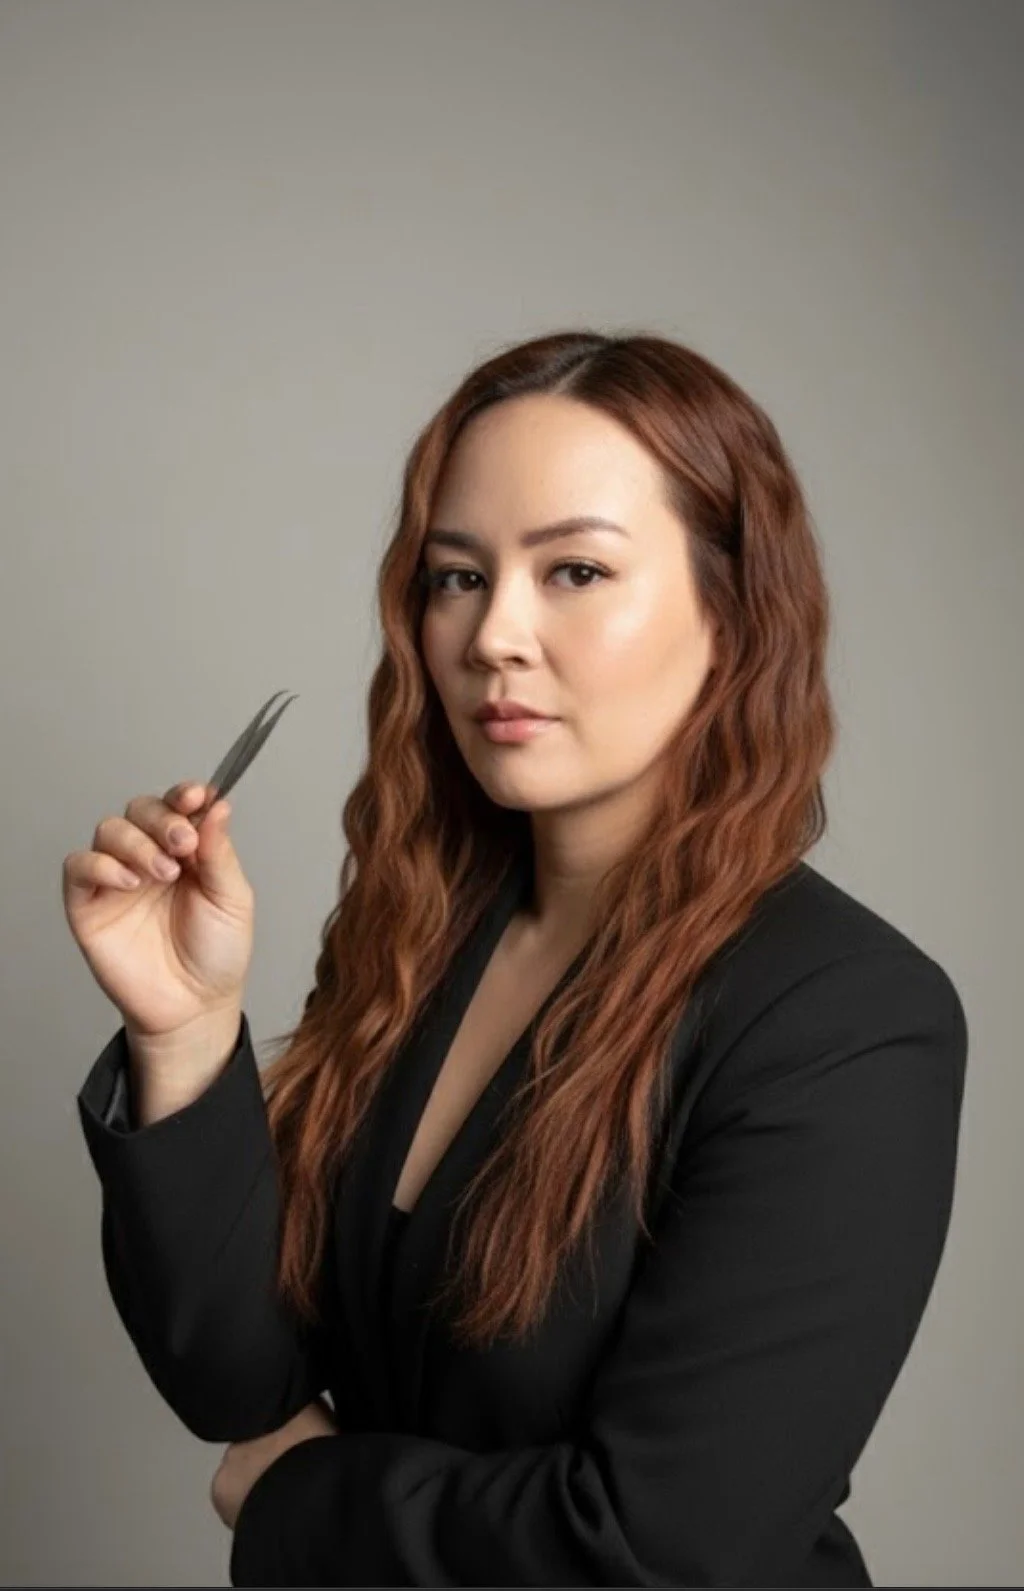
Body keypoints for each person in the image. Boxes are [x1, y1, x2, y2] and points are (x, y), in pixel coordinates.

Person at [65, 330, 968, 1588]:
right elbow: (240, 1375)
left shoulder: (849, 1019)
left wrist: (301, 1497)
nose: (494, 635)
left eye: (577, 571)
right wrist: (184, 1032)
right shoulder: (418, 931)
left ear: (731, 611)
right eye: (455, 578)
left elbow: (657, 1552)